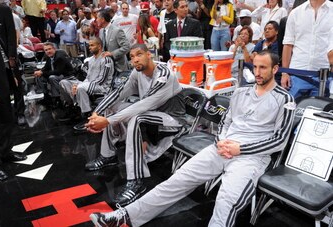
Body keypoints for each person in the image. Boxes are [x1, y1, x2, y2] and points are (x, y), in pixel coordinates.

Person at [89, 50, 296, 227]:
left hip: (251, 158)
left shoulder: (284, 100)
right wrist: (221, 141)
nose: (258, 73)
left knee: (226, 201)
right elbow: (225, 122)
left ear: (275, 69)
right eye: (256, 67)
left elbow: (280, 140)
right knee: (176, 181)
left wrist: (239, 149)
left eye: (263, 68)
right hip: (221, 148)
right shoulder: (240, 93)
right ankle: (125, 216)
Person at [85, 44, 185, 206]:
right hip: (151, 115)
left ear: (149, 54)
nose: (135, 59)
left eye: (139, 54)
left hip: (172, 120)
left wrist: (108, 121)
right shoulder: (136, 73)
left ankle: (136, 181)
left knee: (136, 118)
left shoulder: (165, 75)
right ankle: (108, 156)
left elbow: (144, 104)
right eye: (131, 57)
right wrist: (96, 114)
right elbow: (119, 92)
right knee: (113, 107)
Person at [0, 0, 27, 183]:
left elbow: (11, 40)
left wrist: (13, 69)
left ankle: (6, 152)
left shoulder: (2, 9)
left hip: (5, 71)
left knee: (7, 117)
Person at [280, 0, 333, 99]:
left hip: (325, 76)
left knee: (319, 111)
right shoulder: (296, 13)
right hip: (297, 74)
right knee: (293, 109)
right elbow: (288, 44)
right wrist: (285, 72)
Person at [59, 38, 114, 126]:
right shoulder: (91, 60)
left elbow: (102, 79)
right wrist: (76, 85)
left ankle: (87, 114)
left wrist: (80, 85)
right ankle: (74, 107)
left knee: (80, 87)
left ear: (99, 46)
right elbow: (88, 78)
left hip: (102, 86)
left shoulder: (106, 59)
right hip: (89, 84)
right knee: (63, 82)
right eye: (89, 45)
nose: (89, 47)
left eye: (92, 45)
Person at [33, 42, 74, 108]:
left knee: (52, 78)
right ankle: (46, 97)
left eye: (49, 49)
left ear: (54, 49)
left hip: (66, 75)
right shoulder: (50, 57)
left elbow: (58, 72)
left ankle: (57, 98)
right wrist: (40, 71)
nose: (48, 51)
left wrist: (43, 73)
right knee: (39, 77)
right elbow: (46, 67)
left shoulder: (59, 57)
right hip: (58, 74)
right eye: (46, 50)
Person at [97, 8, 130, 73]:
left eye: (97, 18)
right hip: (107, 68)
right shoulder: (101, 31)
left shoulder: (117, 31)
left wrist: (112, 54)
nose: (96, 20)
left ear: (103, 19)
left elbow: (126, 47)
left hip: (119, 68)